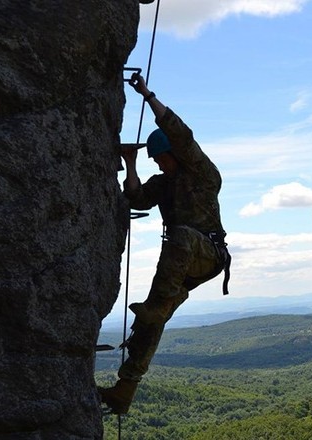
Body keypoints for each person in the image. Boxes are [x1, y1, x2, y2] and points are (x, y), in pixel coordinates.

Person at [98, 73, 231, 414]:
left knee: (181, 235)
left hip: (207, 254)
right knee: (149, 323)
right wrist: (129, 162)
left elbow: (181, 134)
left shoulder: (202, 173)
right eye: (155, 162)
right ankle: (124, 391)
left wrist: (147, 94)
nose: (159, 164)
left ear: (174, 153)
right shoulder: (165, 182)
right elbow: (138, 198)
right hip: (184, 265)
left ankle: (155, 308)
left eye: (161, 158)